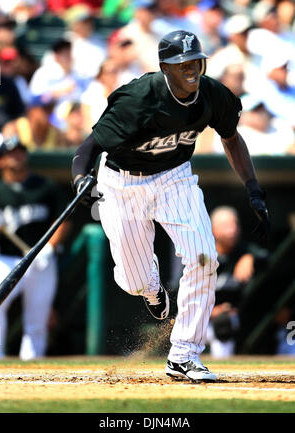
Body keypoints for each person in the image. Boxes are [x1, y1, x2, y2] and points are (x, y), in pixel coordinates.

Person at [71, 30, 270, 382]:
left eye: (195, 62)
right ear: (165, 67)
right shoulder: (138, 97)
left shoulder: (211, 94)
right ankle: (150, 287)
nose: (191, 69)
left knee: (204, 257)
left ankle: (184, 355)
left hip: (174, 177)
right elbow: (89, 147)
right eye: (182, 64)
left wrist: (252, 187)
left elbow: (231, 138)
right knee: (133, 281)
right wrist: (80, 179)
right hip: (122, 183)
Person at [0, 134, 69, 360]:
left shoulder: (44, 186)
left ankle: (32, 362)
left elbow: (63, 221)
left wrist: (50, 247)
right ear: (1, 162)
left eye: (19, 151)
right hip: (7, 259)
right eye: (10, 153)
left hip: (40, 259)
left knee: (37, 319)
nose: (16, 156)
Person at [206, 206, 269, 358]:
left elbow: (267, 257)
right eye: (226, 226)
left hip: (233, 321)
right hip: (203, 319)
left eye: (235, 225)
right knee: (221, 320)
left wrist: (250, 257)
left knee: (225, 321)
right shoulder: (204, 256)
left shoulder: (244, 251)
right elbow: (179, 290)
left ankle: (223, 366)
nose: (232, 230)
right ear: (213, 230)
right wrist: (210, 312)